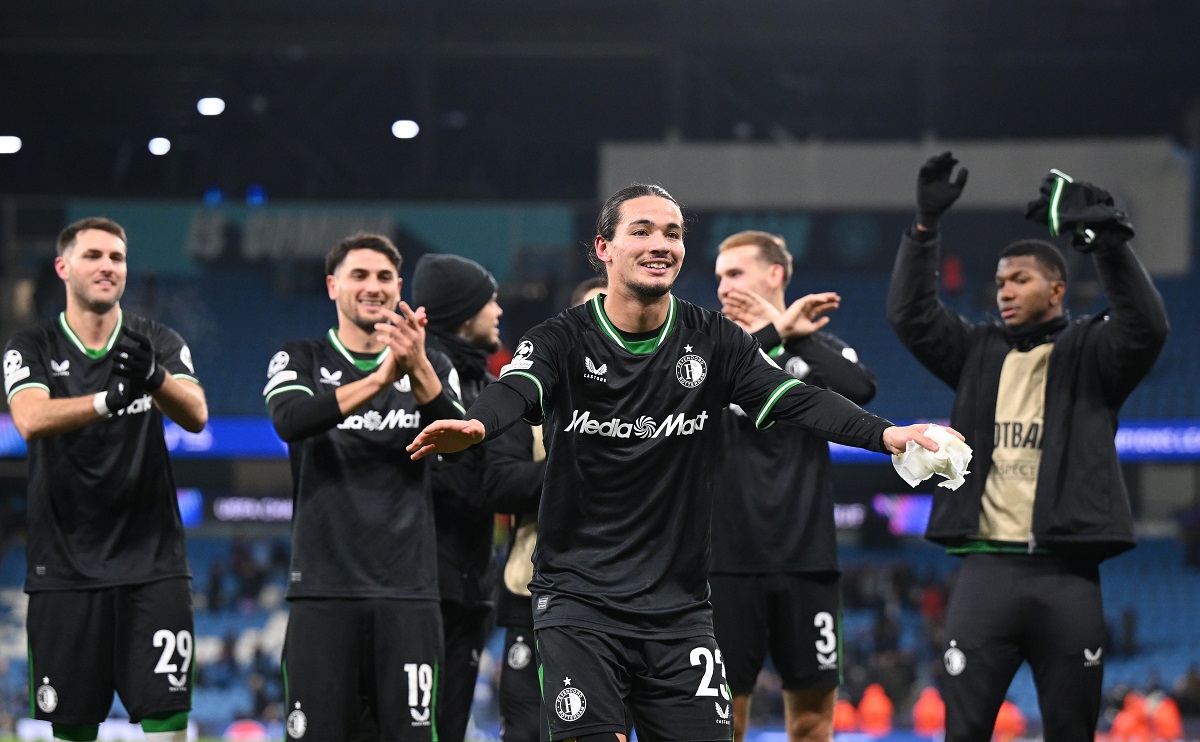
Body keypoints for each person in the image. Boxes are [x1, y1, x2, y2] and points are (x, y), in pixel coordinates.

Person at [408, 184, 956, 740]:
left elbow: (796, 398)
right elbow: (519, 388)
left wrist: (888, 434)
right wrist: (478, 424)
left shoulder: (713, 340)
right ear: (604, 248)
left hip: (679, 609)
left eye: (672, 233)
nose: (660, 243)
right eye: (641, 231)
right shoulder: (561, 338)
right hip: (578, 601)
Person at [887, 152, 1169, 741]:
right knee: (962, 732)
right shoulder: (976, 352)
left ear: (1058, 289)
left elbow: (1146, 327)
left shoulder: (1093, 356)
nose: (1005, 291)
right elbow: (910, 315)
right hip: (986, 570)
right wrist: (923, 227)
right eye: (999, 283)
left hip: (1067, 573)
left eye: (1021, 279)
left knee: (1071, 731)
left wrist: (1106, 243)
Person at [4, 217, 208, 742]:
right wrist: (106, 401)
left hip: (154, 567)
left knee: (167, 726)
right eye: (94, 256)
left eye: (116, 258)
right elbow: (30, 418)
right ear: (63, 267)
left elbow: (197, 414)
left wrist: (154, 378)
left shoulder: (155, 341)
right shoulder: (32, 346)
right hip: (65, 571)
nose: (107, 267)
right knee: (72, 730)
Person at [263, 233, 464, 740]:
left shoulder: (434, 365)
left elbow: (461, 443)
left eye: (384, 277)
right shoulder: (299, 359)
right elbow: (290, 420)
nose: (372, 287)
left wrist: (415, 365)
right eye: (359, 275)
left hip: (409, 594)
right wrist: (378, 378)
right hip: (323, 592)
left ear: (399, 287)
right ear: (333, 286)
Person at [711, 230, 877, 742]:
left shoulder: (817, 346)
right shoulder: (710, 347)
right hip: (726, 563)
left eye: (734, 273)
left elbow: (861, 389)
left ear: (775, 275)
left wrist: (793, 335)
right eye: (718, 277)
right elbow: (696, 393)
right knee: (722, 722)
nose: (722, 287)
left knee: (811, 723)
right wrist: (772, 332)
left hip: (807, 561)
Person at [483, 275, 608, 742]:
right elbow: (497, 484)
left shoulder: (659, 406)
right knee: (524, 732)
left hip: (627, 595)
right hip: (532, 593)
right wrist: (578, 464)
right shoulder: (527, 397)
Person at [410, 253, 503, 742]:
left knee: (447, 730)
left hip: (469, 589)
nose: (499, 311)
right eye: (490, 301)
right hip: (421, 587)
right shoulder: (418, 374)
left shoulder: (488, 387)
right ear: (465, 314)